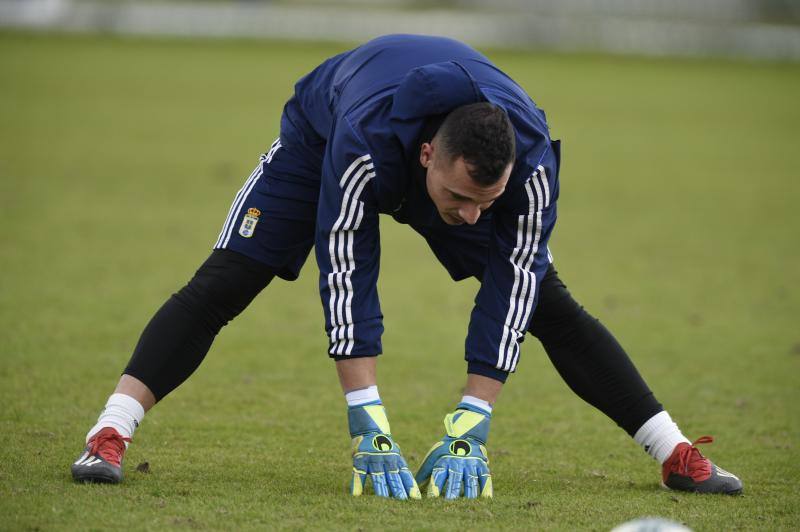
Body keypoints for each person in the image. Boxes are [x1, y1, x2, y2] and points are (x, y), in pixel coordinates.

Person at [71, 34, 742, 498]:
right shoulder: (362, 145)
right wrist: (370, 419)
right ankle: (110, 431)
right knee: (228, 280)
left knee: (548, 304)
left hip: (441, 162)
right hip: (322, 133)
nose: (473, 216)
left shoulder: (529, 171)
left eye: (489, 200)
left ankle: (674, 454)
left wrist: (470, 421)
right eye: (460, 197)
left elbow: (513, 287)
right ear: (428, 157)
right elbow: (346, 267)